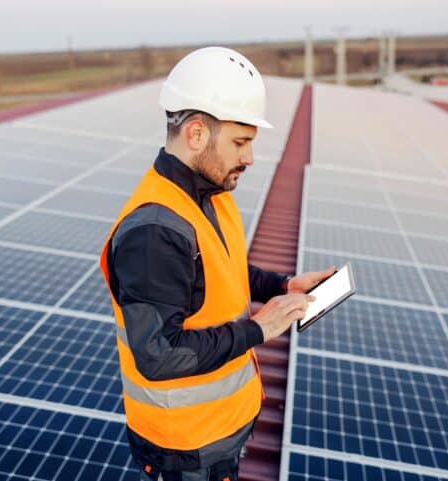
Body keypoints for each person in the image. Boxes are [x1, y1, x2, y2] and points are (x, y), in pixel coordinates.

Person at [99, 46, 335, 481]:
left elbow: (220, 273)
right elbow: (158, 355)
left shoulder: (210, 196)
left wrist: (284, 286)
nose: (249, 158)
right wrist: (259, 329)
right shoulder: (154, 232)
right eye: (240, 142)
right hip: (188, 450)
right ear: (196, 135)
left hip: (221, 428)